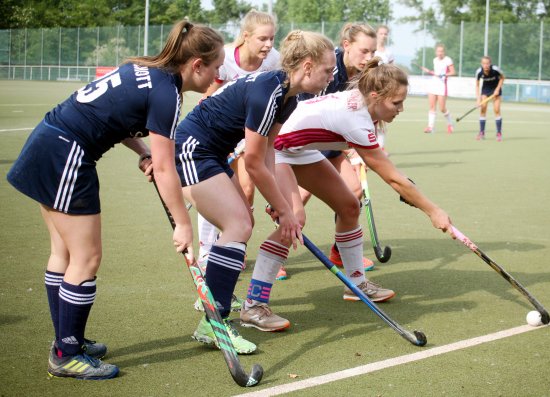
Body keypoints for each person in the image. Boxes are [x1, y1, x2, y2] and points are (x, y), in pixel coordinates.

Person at [6, 21, 224, 380]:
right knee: (86, 258)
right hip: (66, 156)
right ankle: (66, 353)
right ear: (197, 64)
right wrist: (183, 225)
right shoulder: (168, 94)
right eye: (215, 67)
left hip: (49, 143)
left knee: (63, 253)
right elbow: (167, 170)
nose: (218, 75)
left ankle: (67, 340)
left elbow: (116, 115)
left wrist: (141, 152)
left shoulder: (146, 70)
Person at [240, 59, 453, 332]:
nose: (401, 109)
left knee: (349, 207)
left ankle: (356, 284)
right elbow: (390, 177)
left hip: (300, 150)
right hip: (276, 149)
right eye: (397, 103)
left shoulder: (363, 102)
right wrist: (433, 211)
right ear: (376, 97)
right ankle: (253, 304)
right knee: (295, 219)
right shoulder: (356, 119)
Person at [175, 30, 336, 353]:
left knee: (241, 221)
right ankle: (214, 320)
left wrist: (279, 202)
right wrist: (287, 209)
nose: (331, 77)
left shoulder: (288, 97)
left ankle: (215, 307)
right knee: (239, 225)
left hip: (214, 153)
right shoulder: (269, 91)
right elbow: (252, 162)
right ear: (306, 66)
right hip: (193, 149)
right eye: (327, 70)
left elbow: (268, 155)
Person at [279, 22, 378, 281]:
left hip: (328, 141)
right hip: (300, 138)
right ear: (346, 46)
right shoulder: (328, 66)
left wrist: (356, 148)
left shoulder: (361, 75)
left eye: (372, 52)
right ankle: (277, 254)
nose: (368, 58)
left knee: (353, 191)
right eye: (364, 51)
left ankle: (339, 252)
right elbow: (307, 113)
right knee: (296, 205)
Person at [196, 10, 281, 269]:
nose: (268, 45)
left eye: (272, 39)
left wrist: (250, 138)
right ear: (246, 37)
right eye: (262, 39)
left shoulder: (273, 60)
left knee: (246, 189)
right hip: (219, 131)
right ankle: (206, 249)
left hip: (251, 133)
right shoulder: (226, 61)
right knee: (217, 189)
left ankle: (231, 243)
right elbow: (208, 101)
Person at [421, 44, 455, 134]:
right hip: (433, 84)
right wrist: (429, 71)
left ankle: (450, 124)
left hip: (442, 86)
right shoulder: (435, 60)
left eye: (441, 51)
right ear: (436, 52)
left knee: (442, 108)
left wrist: (444, 75)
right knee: (432, 106)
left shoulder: (448, 60)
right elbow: (436, 72)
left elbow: (453, 72)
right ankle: (431, 127)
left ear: (444, 52)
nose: (440, 53)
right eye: (438, 51)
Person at [475, 56, 505, 141]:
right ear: (481, 64)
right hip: (486, 90)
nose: (486, 65)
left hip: (496, 89)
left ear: (490, 63)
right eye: (484, 63)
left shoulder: (495, 69)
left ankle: (499, 133)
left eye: (487, 63)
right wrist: (478, 99)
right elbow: (477, 85)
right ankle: (481, 132)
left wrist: (497, 89)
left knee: (496, 110)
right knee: (483, 109)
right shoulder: (479, 72)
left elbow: (502, 78)